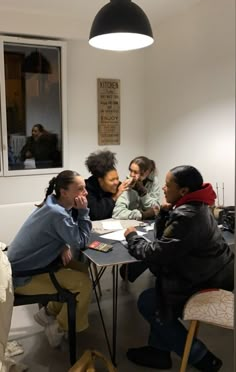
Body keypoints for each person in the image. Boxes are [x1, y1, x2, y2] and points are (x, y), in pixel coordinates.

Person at [123, 165, 234, 371]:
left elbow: (156, 252)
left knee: (149, 301)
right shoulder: (199, 205)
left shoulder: (187, 216)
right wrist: (164, 215)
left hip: (204, 280)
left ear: (183, 191)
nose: (164, 189)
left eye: (168, 185)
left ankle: (201, 357)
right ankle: (158, 351)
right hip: (214, 273)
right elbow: (168, 241)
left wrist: (132, 237)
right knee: (160, 291)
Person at [8, 170, 92, 348]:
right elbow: (81, 242)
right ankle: (59, 328)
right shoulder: (58, 213)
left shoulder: (52, 203)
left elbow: (53, 232)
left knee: (82, 269)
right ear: (64, 192)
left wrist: (62, 245)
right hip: (23, 276)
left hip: (23, 265)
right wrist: (84, 212)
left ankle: (48, 312)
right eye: (80, 189)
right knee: (83, 283)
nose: (85, 193)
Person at [84, 149, 131, 220]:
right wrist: (115, 197)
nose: (116, 182)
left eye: (117, 178)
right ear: (100, 180)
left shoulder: (119, 186)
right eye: (112, 180)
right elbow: (96, 213)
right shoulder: (87, 189)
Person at [112, 156, 161, 220]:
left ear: (147, 172)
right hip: (132, 222)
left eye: (135, 172)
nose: (132, 175)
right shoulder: (129, 183)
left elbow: (156, 208)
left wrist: (143, 193)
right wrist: (141, 215)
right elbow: (117, 212)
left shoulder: (154, 181)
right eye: (131, 171)